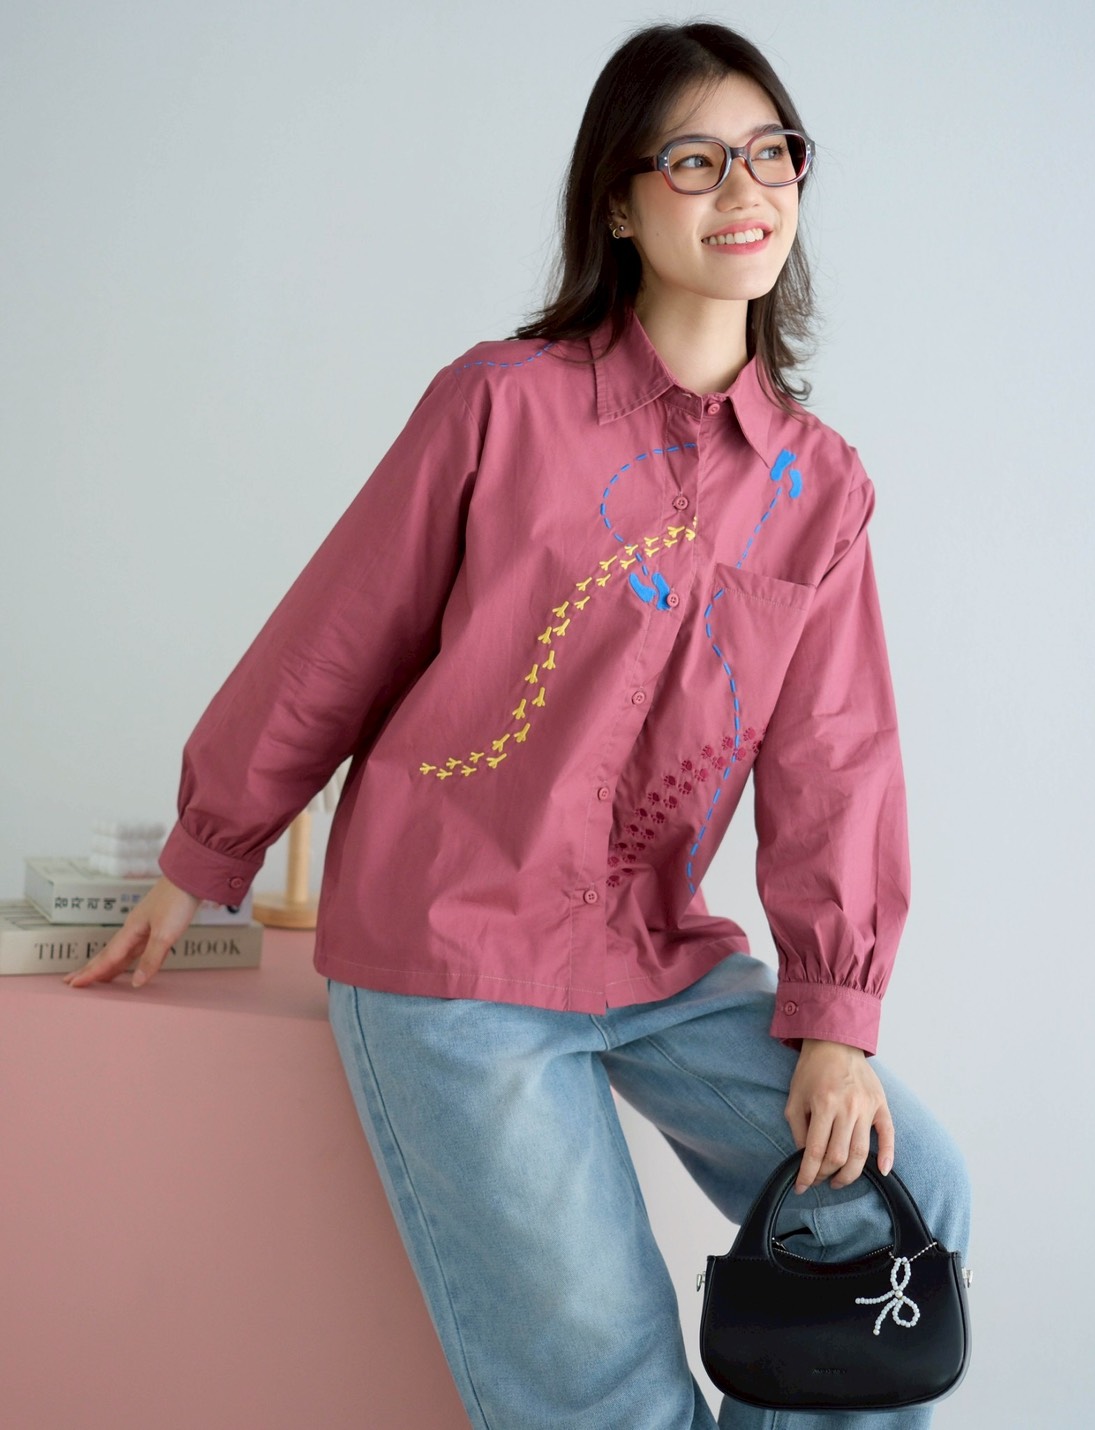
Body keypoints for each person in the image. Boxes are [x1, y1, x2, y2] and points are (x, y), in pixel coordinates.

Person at [65, 19, 971, 1429]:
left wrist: (835, 1017)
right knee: (605, 1388)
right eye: (695, 159)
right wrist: (206, 850)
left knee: (905, 1198)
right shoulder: (500, 402)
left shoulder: (820, 486)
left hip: (655, 956)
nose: (745, 189)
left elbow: (835, 757)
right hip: (456, 951)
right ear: (618, 201)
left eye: (771, 153)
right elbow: (338, 635)